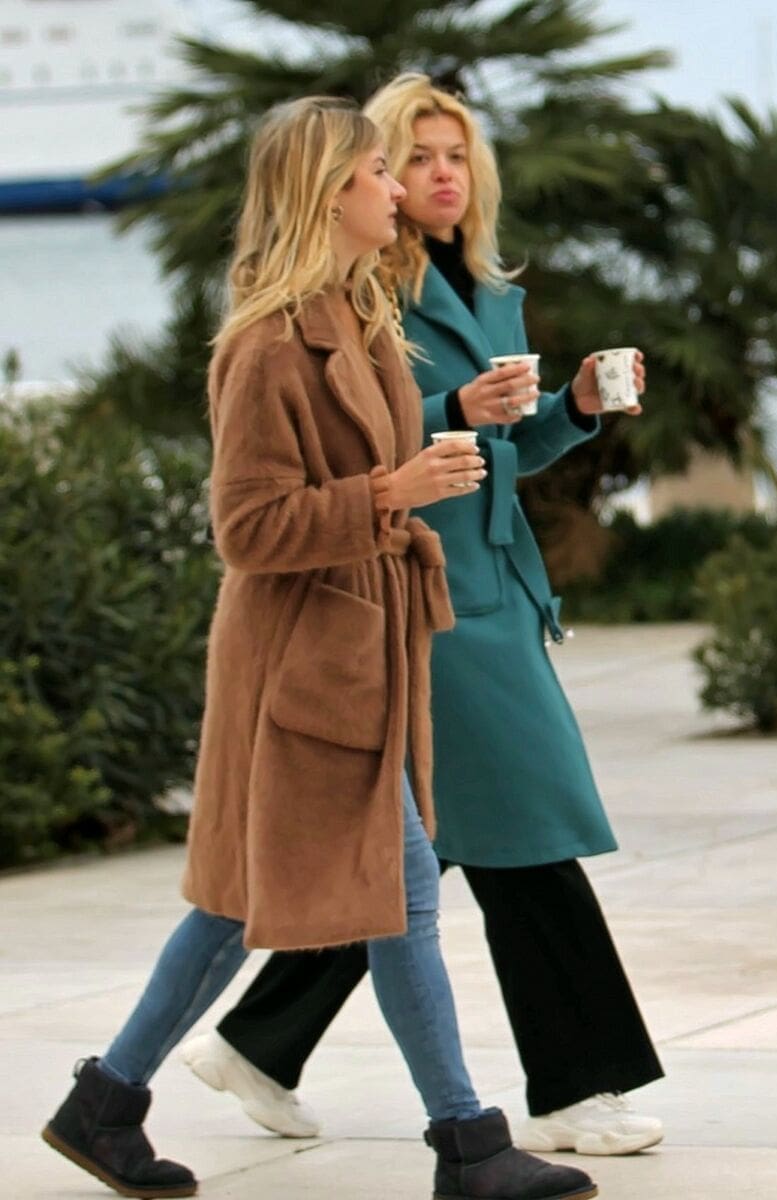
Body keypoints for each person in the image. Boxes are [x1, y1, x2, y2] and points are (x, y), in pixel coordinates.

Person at [40, 96, 599, 1200]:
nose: (397, 189)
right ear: (327, 192)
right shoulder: (265, 346)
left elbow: (375, 478)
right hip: (307, 663)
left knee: (239, 905)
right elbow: (247, 529)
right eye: (379, 171)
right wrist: (393, 491)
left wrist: (441, 462)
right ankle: (467, 1145)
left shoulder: (362, 322)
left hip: (369, 648)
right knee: (401, 897)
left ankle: (103, 1104)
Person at [180, 73, 665, 1160]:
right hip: (418, 593)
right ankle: (577, 1086)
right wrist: (454, 407)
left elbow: (504, 454)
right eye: (412, 158)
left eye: (455, 156)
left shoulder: (489, 291)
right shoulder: (366, 290)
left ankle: (259, 1042)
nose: (436, 176)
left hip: (495, 583)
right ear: (370, 177)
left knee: (424, 840)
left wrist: (571, 409)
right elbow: (358, 438)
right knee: (525, 831)